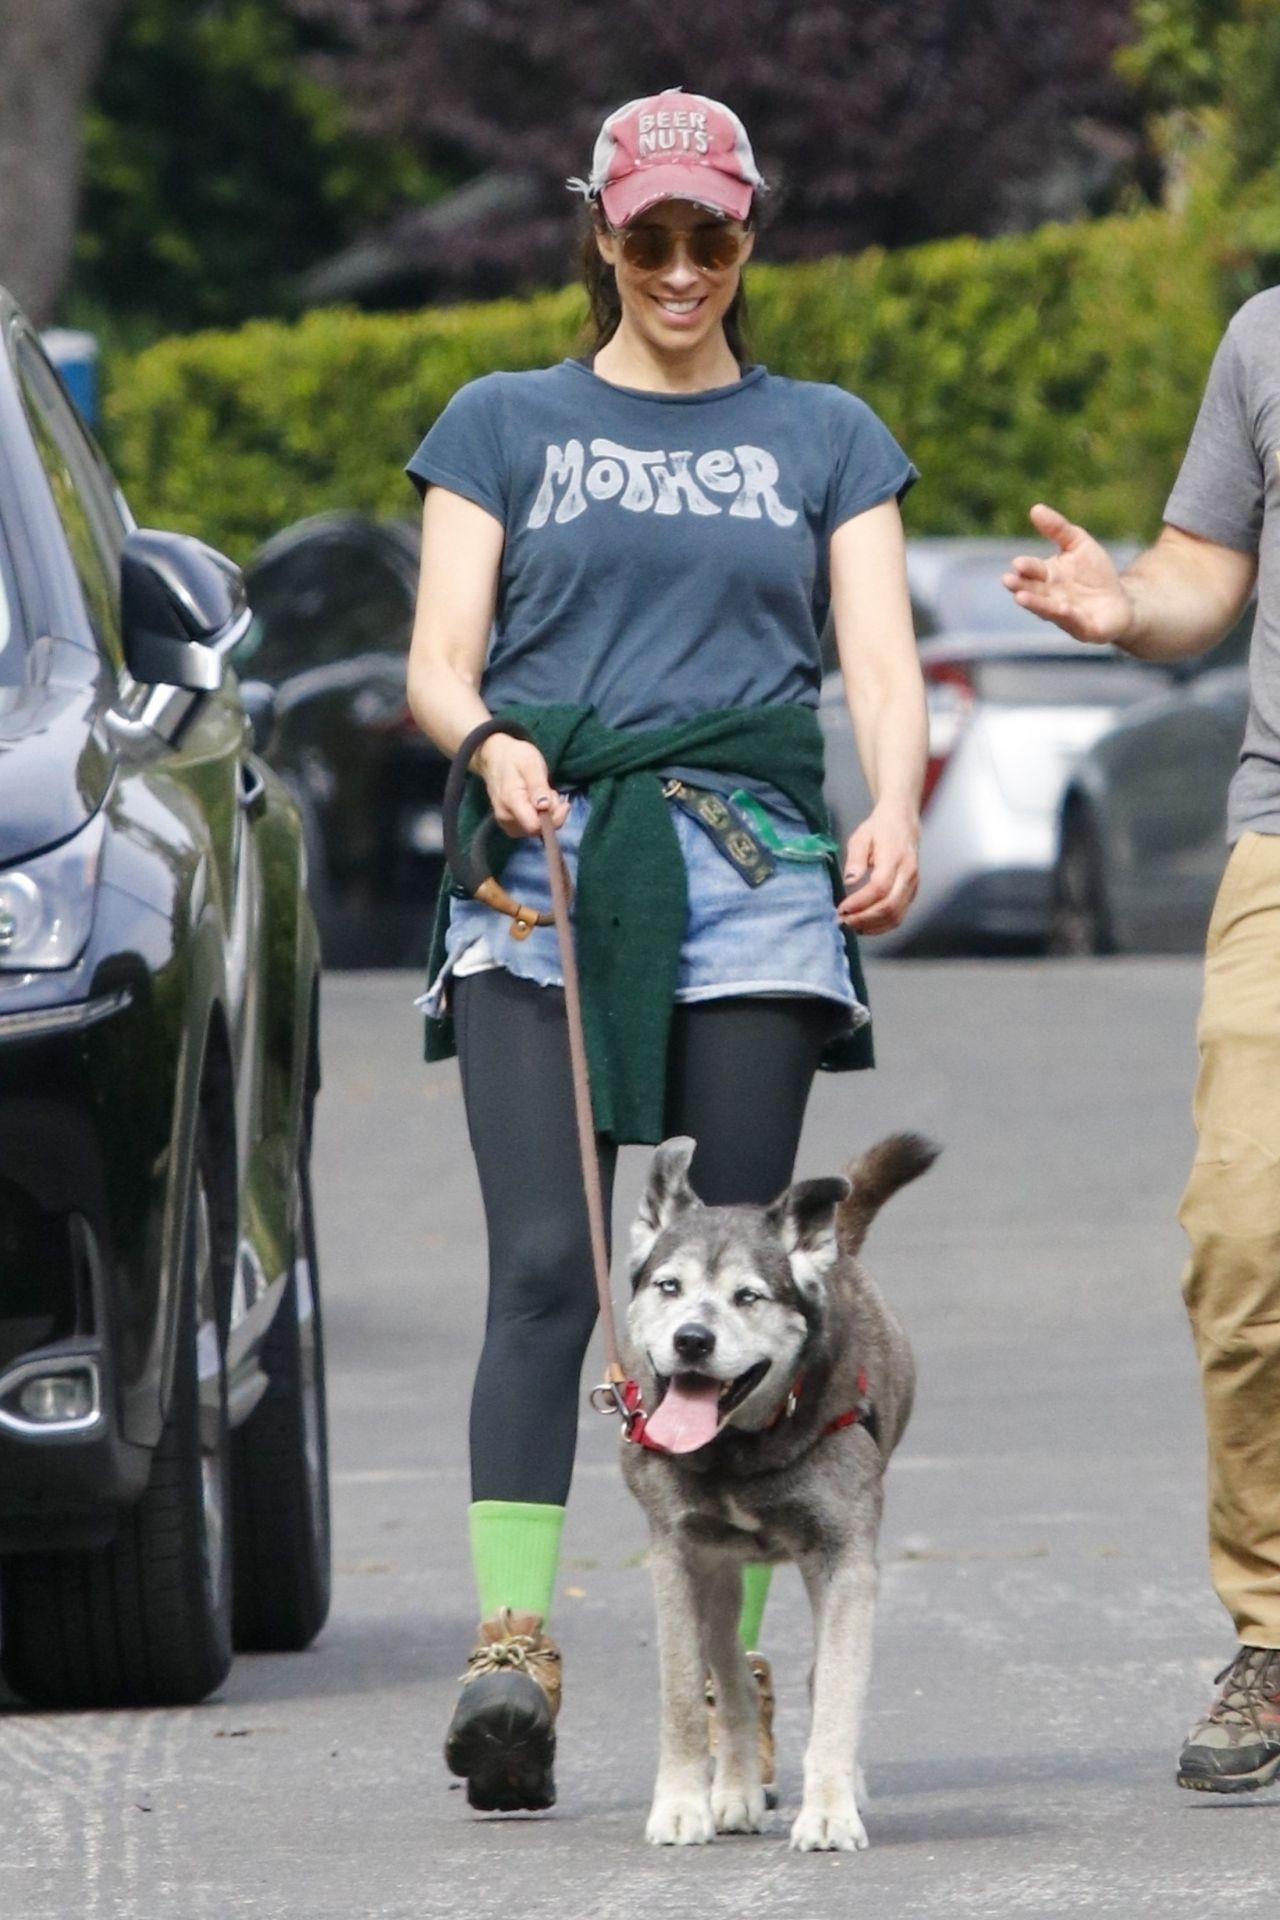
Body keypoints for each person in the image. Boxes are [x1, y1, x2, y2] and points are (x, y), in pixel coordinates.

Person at [404, 87, 927, 1816]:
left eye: (714, 236)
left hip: (759, 877)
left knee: (755, 1294)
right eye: (652, 237)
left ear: (749, 235)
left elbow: (877, 659)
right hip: (545, 873)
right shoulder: (501, 420)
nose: (683, 267)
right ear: (601, 234)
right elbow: (440, 658)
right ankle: (513, 1646)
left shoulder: (828, 433)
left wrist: (898, 803)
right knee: (557, 1272)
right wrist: (489, 745)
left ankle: (726, 1679)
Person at [1003, 288, 1280, 1792]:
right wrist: (1129, 607)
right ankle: (1277, 1633)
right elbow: (1201, 573)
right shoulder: (1266, 337)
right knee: (1242, 1245)